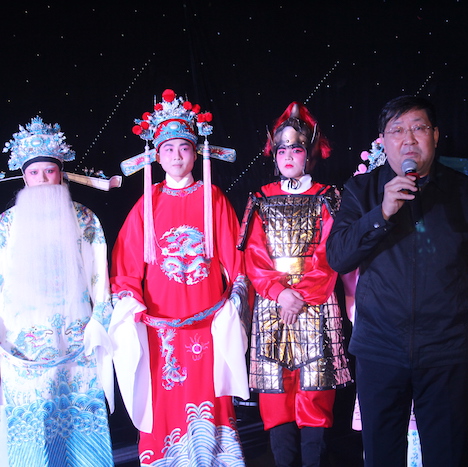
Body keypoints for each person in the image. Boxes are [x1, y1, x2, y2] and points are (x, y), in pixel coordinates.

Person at [326, 95, 468, 467]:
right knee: (382, 457)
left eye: (418, 128)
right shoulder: (362, 190)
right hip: (380, 349)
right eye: (397, 130)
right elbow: (339, 256)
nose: (408, 139)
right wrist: (381, 213)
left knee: (448, 457)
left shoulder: (465, 191)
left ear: (435, 135)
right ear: (383, 140)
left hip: (444, 351)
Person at [109, 89, 249, 466]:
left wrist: (234, 301)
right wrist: (131, 304)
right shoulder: (147, 204)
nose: (176, 156)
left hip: (207, 323)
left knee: (212, 398)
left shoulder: (213, 198)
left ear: (195, 153)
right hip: (162, 330)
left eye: (184, 148)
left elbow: (236, 261)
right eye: (168, 149)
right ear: (157, 156)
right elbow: (125, 268)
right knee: (165, 403)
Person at [237, 102, 351, 467]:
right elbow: (254, 255)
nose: (288, 156)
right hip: (272, 306)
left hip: (316, 305)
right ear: (274, 154)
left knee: (315, 391)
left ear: (309, 153)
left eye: (296, 149)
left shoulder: (327, 196)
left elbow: (330, 253)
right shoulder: (260, 199)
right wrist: (280, 293)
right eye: (282, 149)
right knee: (276, 394)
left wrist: (299, 295)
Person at [0, 117, 114, 466]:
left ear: (60, 173)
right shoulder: (6, 224)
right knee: (32, 429)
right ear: (24, 177)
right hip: (23, 344)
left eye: (49, 171)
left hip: (76, 339)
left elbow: (99, 276)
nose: (42, 179)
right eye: (34, 173)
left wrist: (99, 319)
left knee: (80, 428)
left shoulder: (84, 218)